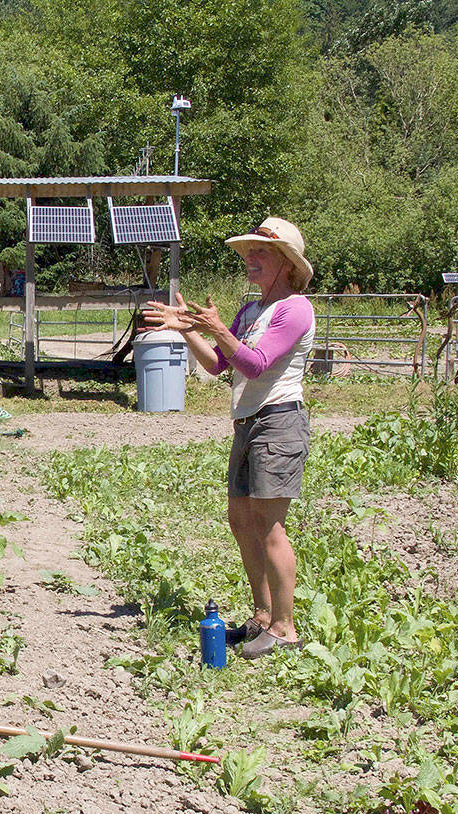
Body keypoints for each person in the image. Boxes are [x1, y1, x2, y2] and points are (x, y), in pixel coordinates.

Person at [143, 217, 315, 660]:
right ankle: (261, 616)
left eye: (261, 253)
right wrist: (188, 331)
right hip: (247, 422)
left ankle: (284, 627)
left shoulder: (295, 309)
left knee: (269, 526)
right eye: (248, 253)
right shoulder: (251, 311)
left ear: (287, 263)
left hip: (278, 421)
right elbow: (222, 364)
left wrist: (216, 328)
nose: (250, 259)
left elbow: (255, 364)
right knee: (241, 520)